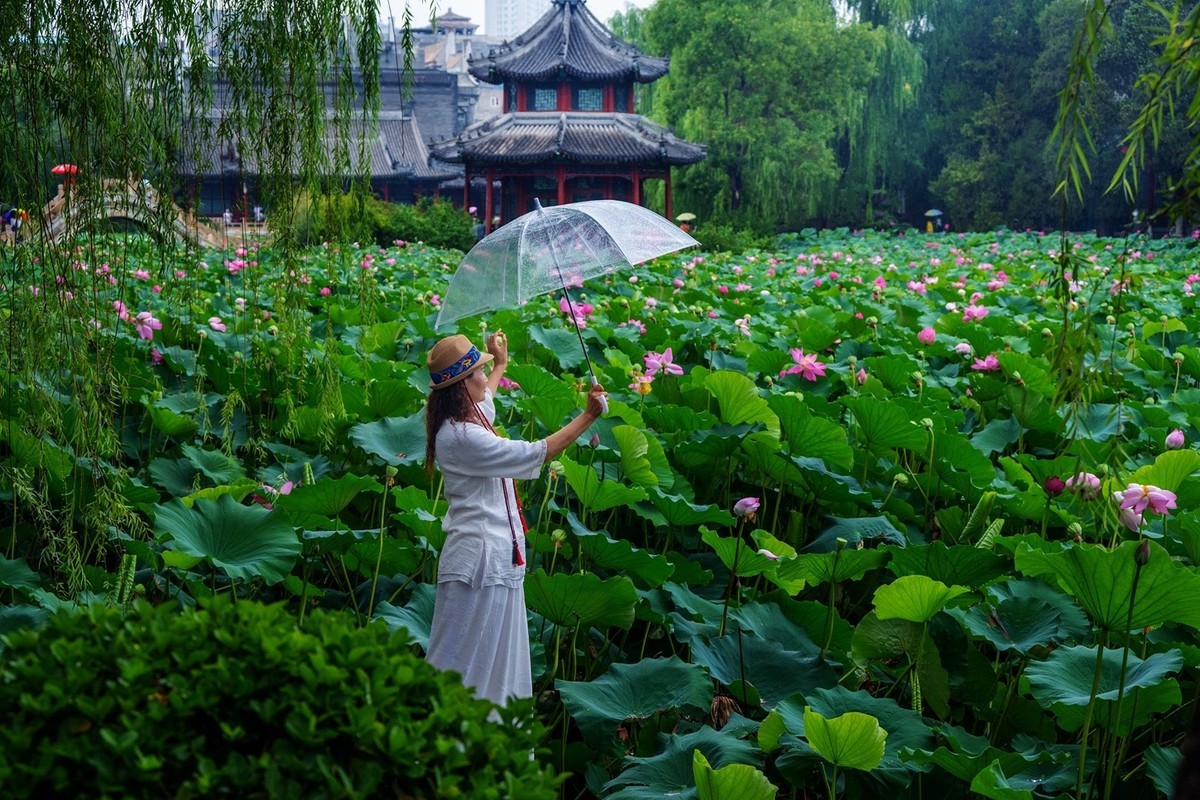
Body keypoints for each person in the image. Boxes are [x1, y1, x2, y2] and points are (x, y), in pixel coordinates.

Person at [423, 331, 606, 708]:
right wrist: (588, 416)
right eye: (478, 372)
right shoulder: (461, 437)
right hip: (478, 565)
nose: (483, 378)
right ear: (461, 386)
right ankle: (437, 750)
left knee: (496, 666)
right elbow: (536, 453)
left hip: (497, 560)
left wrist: (500, 363)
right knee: (457, 666)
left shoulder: (465, 417)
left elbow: (486, 399)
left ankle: (491, 750)